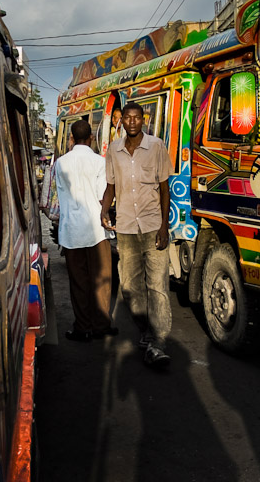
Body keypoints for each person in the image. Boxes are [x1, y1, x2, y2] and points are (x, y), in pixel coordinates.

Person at [100, 101, 172, 368]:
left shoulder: (156, 146)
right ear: (122, 122)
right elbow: (110, 187)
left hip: (153, 225)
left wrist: (164, 226)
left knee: (158, 286)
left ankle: (159, 342)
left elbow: (165, 189)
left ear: (144, 120)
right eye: (127, 118)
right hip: (127, 229)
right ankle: (146, 330)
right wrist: (104, 209)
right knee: (130, 287)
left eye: (136, 118)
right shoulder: (114, 152)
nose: (131, 122)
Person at [54, 120, 116, 341]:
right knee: (102, 278)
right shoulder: (100, 162)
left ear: (72, 138)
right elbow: (103, 197)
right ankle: (101, 324)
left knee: (79, 281)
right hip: (97, 230)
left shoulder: (60, 163)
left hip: (71, 230)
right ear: (91, 138)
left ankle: (83, 327)